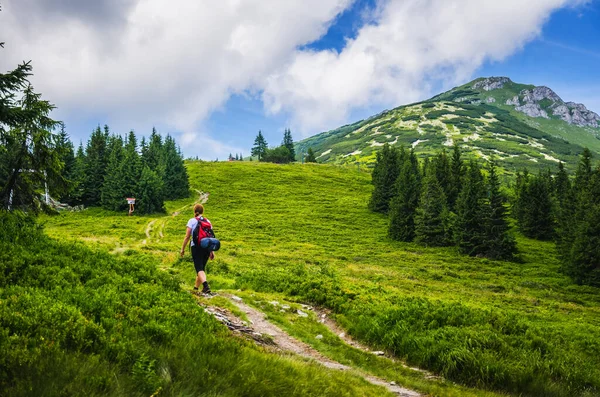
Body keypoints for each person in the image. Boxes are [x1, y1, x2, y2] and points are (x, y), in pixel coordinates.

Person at [181, 203, 215, 294]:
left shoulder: (191, 221)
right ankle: (196, 289)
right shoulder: (208, 221)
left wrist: (182, 249)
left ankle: (206, 286)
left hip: (196, 247)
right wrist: (211, 251)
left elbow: (187, 236)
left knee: (199, 268)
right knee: (201, 269)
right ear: (202, 211)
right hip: (207, 247)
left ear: (194, 211)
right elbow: (210, 236)